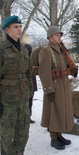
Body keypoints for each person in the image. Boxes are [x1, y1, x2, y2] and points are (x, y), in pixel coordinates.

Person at [38, 26, 78, 150]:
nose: (59, 37)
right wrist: (49, 89)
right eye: (57, 35)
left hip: (63, 84)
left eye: (60, 35)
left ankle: (59, 135)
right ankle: (53, 137)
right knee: (54, 111)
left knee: (61, 111)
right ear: (50, 37)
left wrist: (72, 69)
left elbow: (64, 66)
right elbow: (43, 72)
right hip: (54, 86)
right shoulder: (47, 50)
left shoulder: (61, 50)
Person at [0, 15, 32, 155]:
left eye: (20, 26)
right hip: (7, 101)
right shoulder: (2, 49)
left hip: (23, 99)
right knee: (7, 136)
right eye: (15, 27)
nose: (19, 29)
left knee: (23, 134)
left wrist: (29, 96)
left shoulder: (24, 50)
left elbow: (28, 74)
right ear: (7, 30)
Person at [24, 43, 38, 123]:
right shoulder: (23, 59)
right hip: (26, 84)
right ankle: (26, 117)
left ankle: (28, 117)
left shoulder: (32, 60)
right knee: (27, 102)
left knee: (30, 101)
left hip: (31, 83)